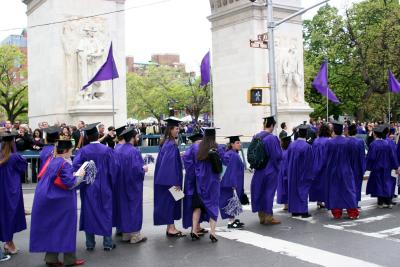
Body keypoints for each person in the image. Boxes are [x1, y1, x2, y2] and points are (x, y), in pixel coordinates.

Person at [30, 139, 86, 267]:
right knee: (67, 228)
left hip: (46, 199)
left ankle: (51, 258)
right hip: (62, 200)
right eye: (71, 151)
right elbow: (71, 183)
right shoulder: (64, 164)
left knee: (52, 228)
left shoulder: (51, 160)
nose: (71, 153)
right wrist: (80, 174)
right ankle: (70, 259)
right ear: (66, 151)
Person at [73, 123, 117, 251]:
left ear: (87, 137)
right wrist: (112, 184)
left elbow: (76, 168)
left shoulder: (83, 151)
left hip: (88, 187)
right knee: (106, 212)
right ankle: (108, 243)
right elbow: (114, 169)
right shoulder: (107, 150)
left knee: (89, 213)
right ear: (98, 135)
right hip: (105, 187)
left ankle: (90, 243)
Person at [114, 127, 148, 244]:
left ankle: (126, 234)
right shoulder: (134, 151)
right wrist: (144, 169)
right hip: (132, 185)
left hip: (120, 184)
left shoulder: (118, 150)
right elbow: (137, 170)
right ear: (132, 138)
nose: (137, 138)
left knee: (124, 207)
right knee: (134, 207)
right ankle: (135, 235)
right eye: (136, 136)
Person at [153, 118, 185, 237]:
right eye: (176, 129)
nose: (178, 130)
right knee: (170, 202)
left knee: (169, 203)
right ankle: (171, 228)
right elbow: (169, 165)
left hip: (165, 180)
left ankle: (170, 227)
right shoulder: (171, 145)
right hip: (170, 180)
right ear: (170, 130)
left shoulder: (166, 142)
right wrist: (175, 182)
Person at [192, 128, 224, 242]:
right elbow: (225, 160)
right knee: (214, 204)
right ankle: (213, 233)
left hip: (201, 181)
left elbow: (194, 163)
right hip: (213, 181)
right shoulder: (217, 147)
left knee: (199, 206)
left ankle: (194, 230)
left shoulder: (198, 148)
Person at [250, 116, 282, 225]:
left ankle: (261, 216)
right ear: (272, 125)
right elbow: (277, 155)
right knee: (269, 192)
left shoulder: (256, 136)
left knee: (259, 191)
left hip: (258, 170)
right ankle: (269, 216)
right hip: (270, 170)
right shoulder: (272, 138)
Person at [0, 132, 27, 255]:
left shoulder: (2, 156)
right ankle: (9, 243)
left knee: (3, 215)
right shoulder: (15, 157)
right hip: (11, 190)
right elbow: (23, 168)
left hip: (2, 189)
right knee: (10, 215)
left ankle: (8, 242)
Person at [325, 122, 359, 219]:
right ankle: (352, 212)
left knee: (335, 190)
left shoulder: (330, 142)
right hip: (346, 169)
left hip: (333, 170)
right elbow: (352, 157)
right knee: (348, 190)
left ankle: (337, 212)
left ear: (334, 131)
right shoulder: (348, 142)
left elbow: (327, 157)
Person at [366, 126, 400, 208]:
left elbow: (371, 157)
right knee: (387, 183)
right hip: (387, 167)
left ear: (375, 134)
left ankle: (380, 202)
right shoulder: (387, 144)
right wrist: (396, 166)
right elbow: (392, 156)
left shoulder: (373, 144)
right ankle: (388, 202)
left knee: (378, 184)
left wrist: (367, 166)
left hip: (377, 168)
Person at [182, 133, 209, 234]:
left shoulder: (189, 150)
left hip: (190, 181)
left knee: (195, 205)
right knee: (197, 204)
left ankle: (197, 226)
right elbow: (200, 167)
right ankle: (195, 228)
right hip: (197, 181)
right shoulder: (197, 148)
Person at [286, 125, 314, 218]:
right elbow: (309, 162)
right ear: (306, 134)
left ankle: (294, 210)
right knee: (303, 190)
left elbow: (288, 159)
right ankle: (303, 211)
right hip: (303, 172)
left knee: (293, 190)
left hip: (292, 172)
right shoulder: (307, 146)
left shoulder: (291, 145)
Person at [219, 135, 245, 229]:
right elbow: (232, 170)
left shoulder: (230, 153)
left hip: (228, 182)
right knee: (230, 201)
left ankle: (232, 220)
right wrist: (233, 184)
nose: (239, 144)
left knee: (230, 201)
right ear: (232, 144)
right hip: (230, 182)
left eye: (239, 142)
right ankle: (231, 221)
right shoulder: (233, 155)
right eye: (237, 143)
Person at [309, 124, 331, 209]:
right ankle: (325, 200)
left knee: (317, 183)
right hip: (325, 165)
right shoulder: (328, 141)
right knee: (324, 183)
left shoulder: (315, 141)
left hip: (315, 164)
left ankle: (319, 201)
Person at [347, 124, 366, 206]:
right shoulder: (360, 142)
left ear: (348, 132)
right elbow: (362, 156)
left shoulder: (345, 142)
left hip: (347, 168)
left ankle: (348, 203)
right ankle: (355, 203)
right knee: (357, 186)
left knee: (348, 186)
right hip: (357, 167)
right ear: (356, 131)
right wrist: (363, 168)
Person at [277, 135, 292, 211]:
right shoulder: (289, 151)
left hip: (283, 172)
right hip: (286, 172)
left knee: (284, 189)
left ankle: (286, 204)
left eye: (281, 142)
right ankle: (287, 204)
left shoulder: (283, 152)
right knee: (287, 189)